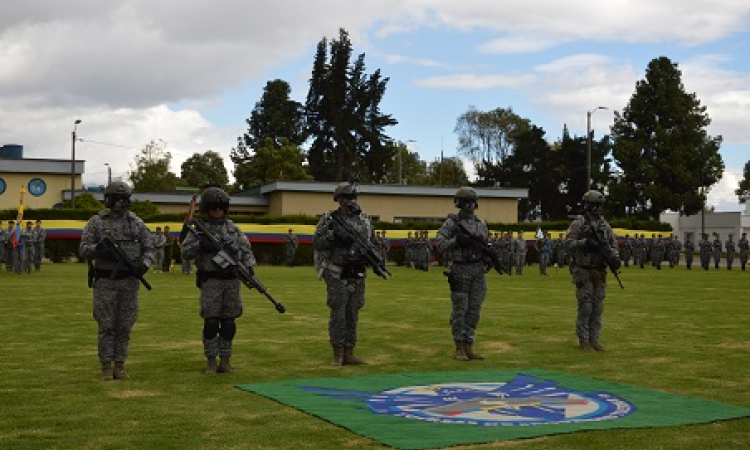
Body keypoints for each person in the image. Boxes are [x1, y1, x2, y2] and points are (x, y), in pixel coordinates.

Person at [79, 181, 154, 381]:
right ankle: (106, 366)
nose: (120, 203)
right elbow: (83, 248)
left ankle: (119, 365)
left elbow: (150, 247)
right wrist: (98, 250)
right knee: (106, 324)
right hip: (105, 281)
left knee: (125, 325)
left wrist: (144, 265)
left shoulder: (136, 223)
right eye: (116, 199)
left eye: (123, 199)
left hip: (129, 282)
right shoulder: (96, 222)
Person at [181, 187, 256, 374]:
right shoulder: (198, 230)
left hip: (231, 280)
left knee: (229, 322)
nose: (217, 212)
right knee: (212, 322)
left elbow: (246, 249)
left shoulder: (233, 229)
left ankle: (225, 359)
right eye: (214, 208)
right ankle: (211, 360)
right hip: (211, 281)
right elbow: (185, 253)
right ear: (207, 209)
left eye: (221, 208)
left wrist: (249, 267)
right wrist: (200, 246)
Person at [313, 182, 379, 366]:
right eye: (346, 198)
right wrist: (334, 237)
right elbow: (317, 242)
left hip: (356, 273)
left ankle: (350, 351)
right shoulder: (330, 219)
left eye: (353, 198)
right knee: (338, 313)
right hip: (336, 271)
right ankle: (338, 352)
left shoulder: (364, 221)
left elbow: (372, 243)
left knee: (353, 312)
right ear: (338, 200)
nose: (350, 202)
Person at [435, 187, 491, 361]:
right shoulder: (452, 223)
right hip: (460, 269)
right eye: (466, 201)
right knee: (460, 309)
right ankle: (459, 346)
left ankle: (469, 345)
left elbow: (486, 244)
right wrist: (457, 240)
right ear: (459, 203)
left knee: (474, 309)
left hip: (478, 269)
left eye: (472, 201)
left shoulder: (481, 223)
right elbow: (440, 243)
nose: (470, 205)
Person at [566, 190, 621, 352]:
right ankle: (584, 339)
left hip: (600, 271)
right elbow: (568, 243)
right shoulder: (579, 223)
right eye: (594, 206)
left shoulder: (605, 225)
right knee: (586, 306)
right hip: (583, 270)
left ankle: (595, 338)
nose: (597, 209)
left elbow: (612, 245)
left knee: (598, 307)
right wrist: (585, 242)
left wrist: (615, 258)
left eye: (599, 206)